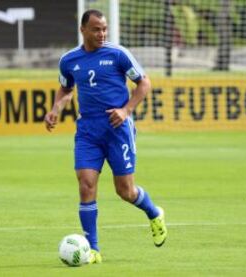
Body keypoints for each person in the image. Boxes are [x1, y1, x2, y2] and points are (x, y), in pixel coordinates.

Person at [44, 9, 167, 263]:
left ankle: (154, 213)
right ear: (83, 30)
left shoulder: (117, 54)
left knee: (126, 191)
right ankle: (94, 250)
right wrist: (56, 108)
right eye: (96, 29)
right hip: (88, 132)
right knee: (86, 185)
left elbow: (144, 83)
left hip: (117, 131)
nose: (102, 34)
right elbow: (65, 88)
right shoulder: (69, 60)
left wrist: (126, 110)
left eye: (104, 29)